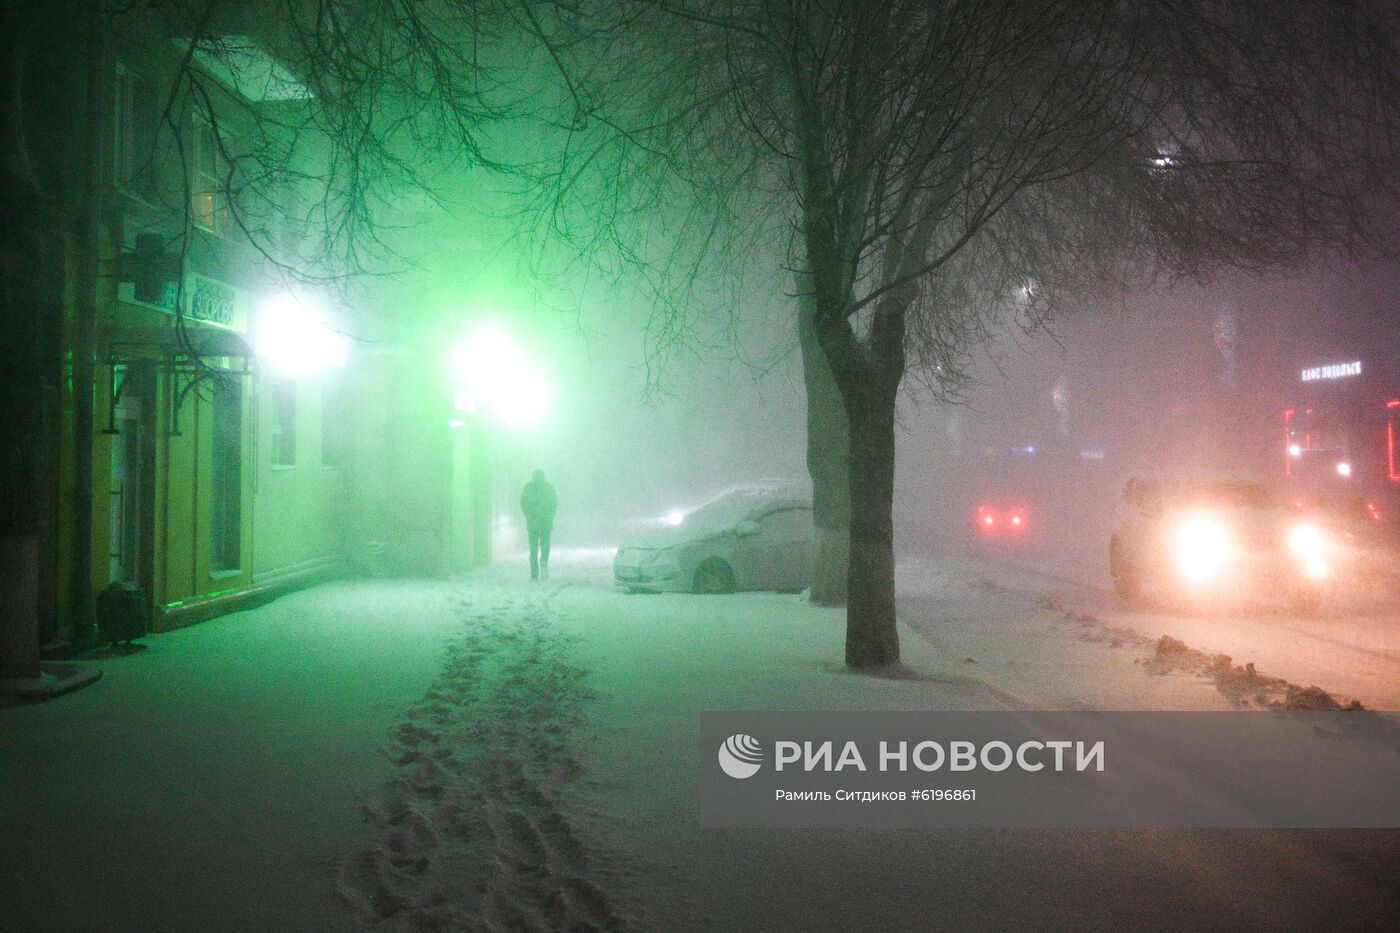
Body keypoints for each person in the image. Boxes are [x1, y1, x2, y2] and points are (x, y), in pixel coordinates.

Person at [520, 469, 558, 580]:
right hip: (545, 523)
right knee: (545, 546)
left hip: (532, 524)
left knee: (533, 549)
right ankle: (544, 562)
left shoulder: (528, 488)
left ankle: (534, 573)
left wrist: (529, 516)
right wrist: (549, 516)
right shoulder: (549, 488)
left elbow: (523, 503)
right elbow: (554, 504)